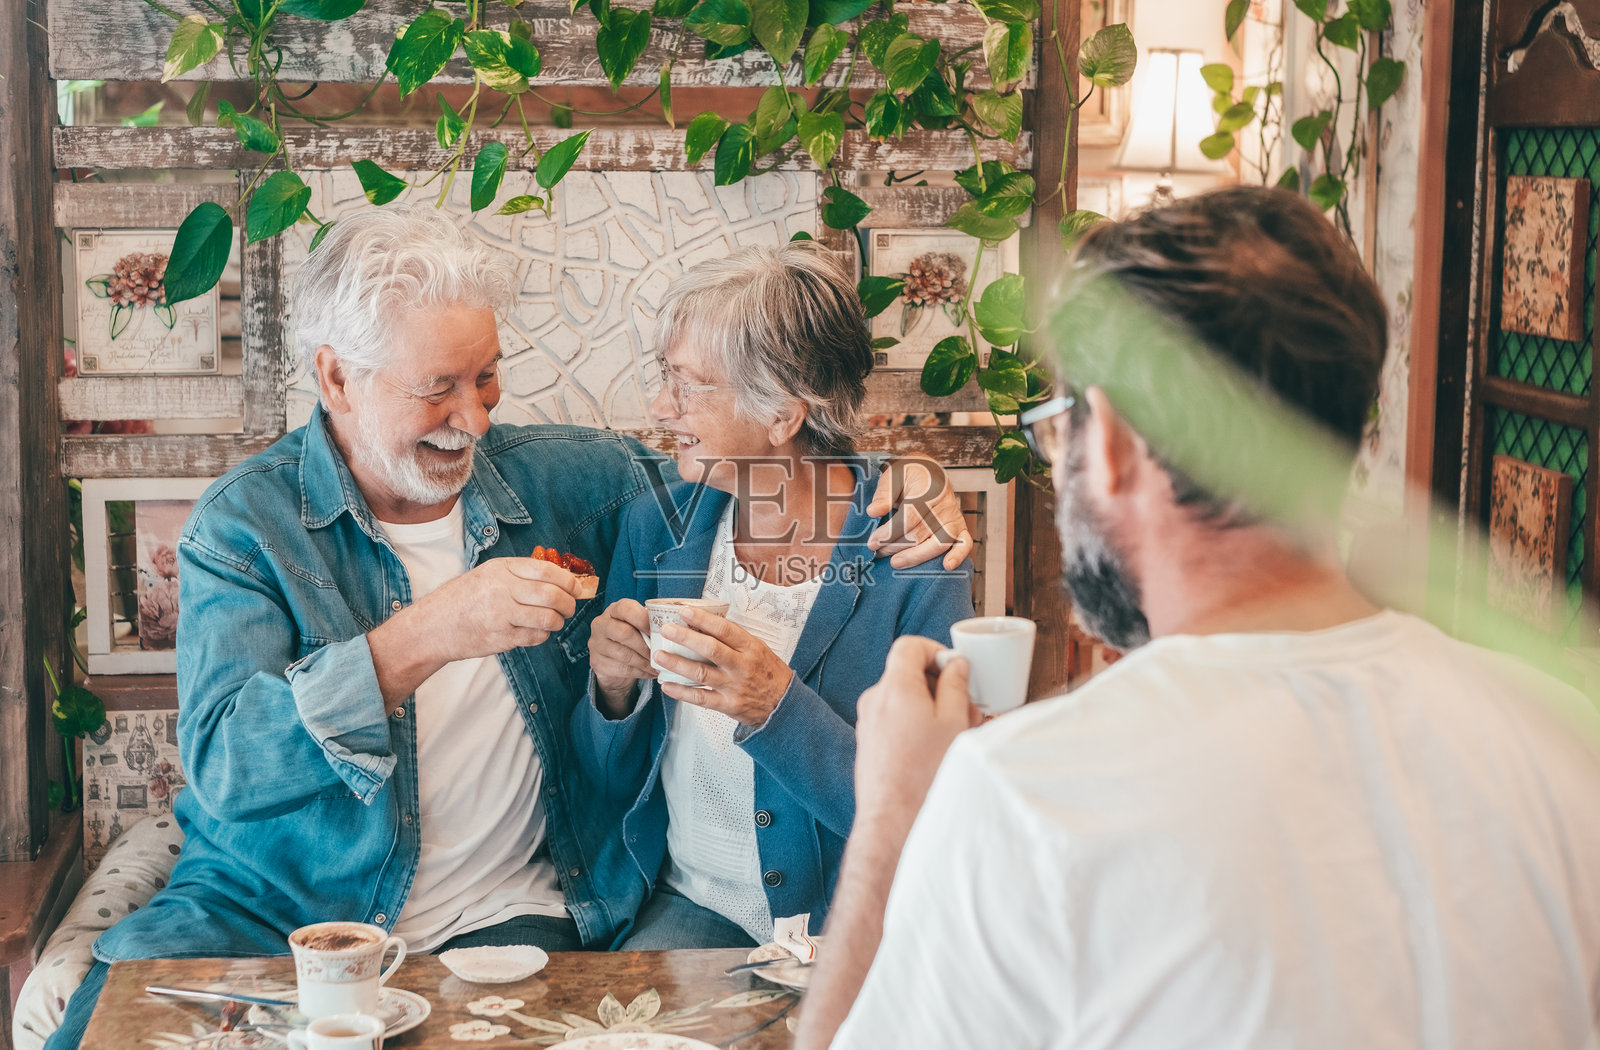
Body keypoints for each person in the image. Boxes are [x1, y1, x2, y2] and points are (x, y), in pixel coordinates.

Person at [43, 206, 974, 1050]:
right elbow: (226, 766)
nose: (476, 419)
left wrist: (903, 485)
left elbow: (777, 450)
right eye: (438, 388)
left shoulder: (577, 484)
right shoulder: (244, 529)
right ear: (336, 376)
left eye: (487, 380)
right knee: (99, 1035)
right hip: (274, 904)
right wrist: (426, 634)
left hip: (507, 915)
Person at [796, 187, 1600, 1049]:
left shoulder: (1030, 796)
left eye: (1053, 426)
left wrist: (890, 819)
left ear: (1108, 442)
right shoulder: (1563, 733)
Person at [570, 243, 975, 949]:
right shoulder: (656, 529)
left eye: (689, 385)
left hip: (858, 926)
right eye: (666, 377)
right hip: (689, 911)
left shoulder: (911, 548)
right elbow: (606, 784)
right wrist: (610, 694)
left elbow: (932, 814)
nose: (661, 406)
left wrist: (774, 706)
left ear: (783, 414)